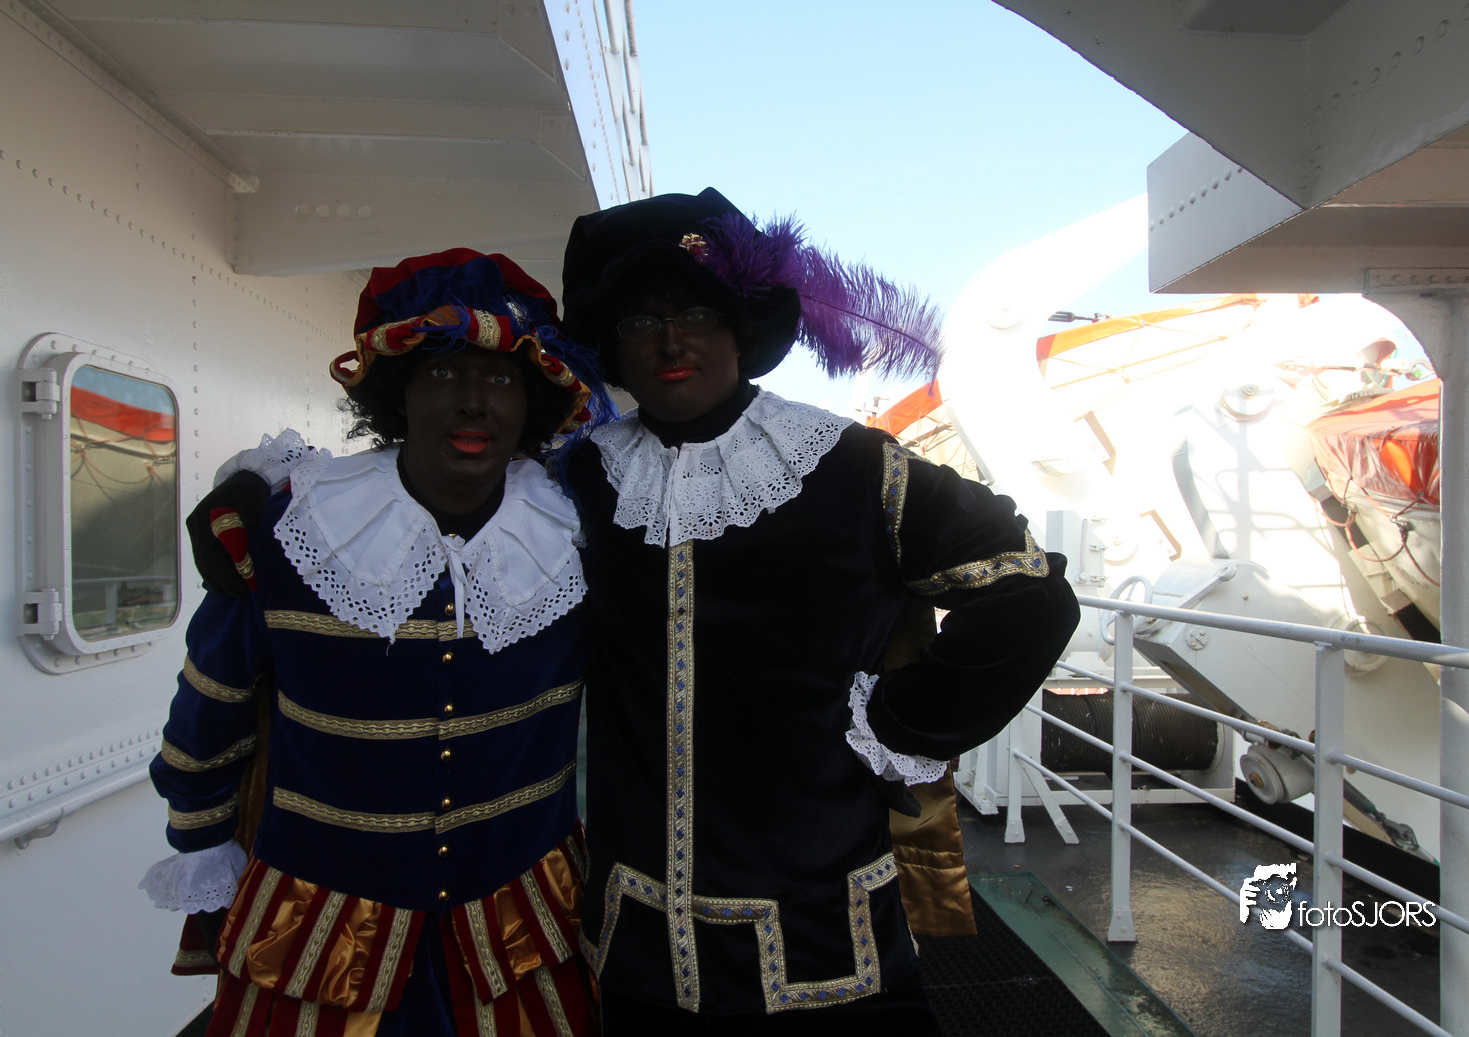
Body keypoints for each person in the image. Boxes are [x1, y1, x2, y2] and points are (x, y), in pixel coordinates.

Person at [555, 188, 1081, 1032]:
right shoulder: (582, 476)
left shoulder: (848, 463)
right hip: (642, 942)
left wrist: (900, 722)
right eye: (639, 320)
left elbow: (1028, 592)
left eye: (697, 312)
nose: (671, 339)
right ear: (611, 341)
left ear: (740, 326)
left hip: (823, 936)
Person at [140, 249, 609, 1037]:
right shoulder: (292, 527)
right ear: (398, 394)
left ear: (531, 402)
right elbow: (208, 714)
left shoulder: (578, 535)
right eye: (442, 373)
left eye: (501, 378)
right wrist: (201, 842)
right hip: (315, 943)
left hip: (523, 941)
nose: (473, 401)